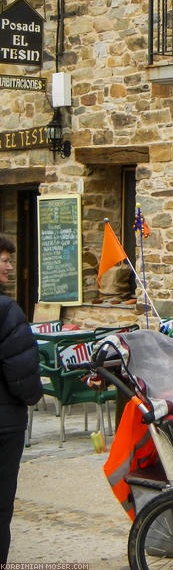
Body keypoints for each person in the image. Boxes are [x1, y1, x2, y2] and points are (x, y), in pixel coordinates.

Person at [0, 235, 43, 565]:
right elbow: (22, 373)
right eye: (5, 260)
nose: (11, 267)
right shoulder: (6, 311)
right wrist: (33, 397)